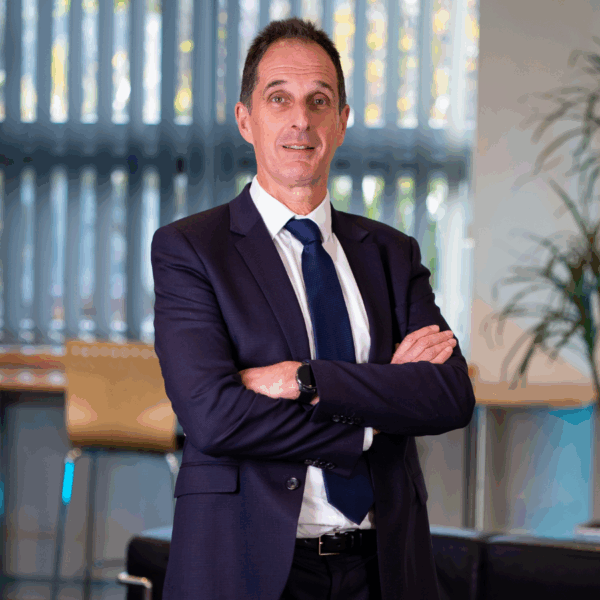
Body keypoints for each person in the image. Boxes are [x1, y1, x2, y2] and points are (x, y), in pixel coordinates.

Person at [151, 17, 475, 600]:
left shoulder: (391, 253)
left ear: (342, 122)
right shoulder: (192, 249)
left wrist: (306, 380)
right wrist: (372, 418)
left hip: (384, 567)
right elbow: (214, 418)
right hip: (249, 567)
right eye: (279, 99)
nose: (301, 119)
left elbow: (449, 394)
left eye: (319, 100)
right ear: (245, 119)